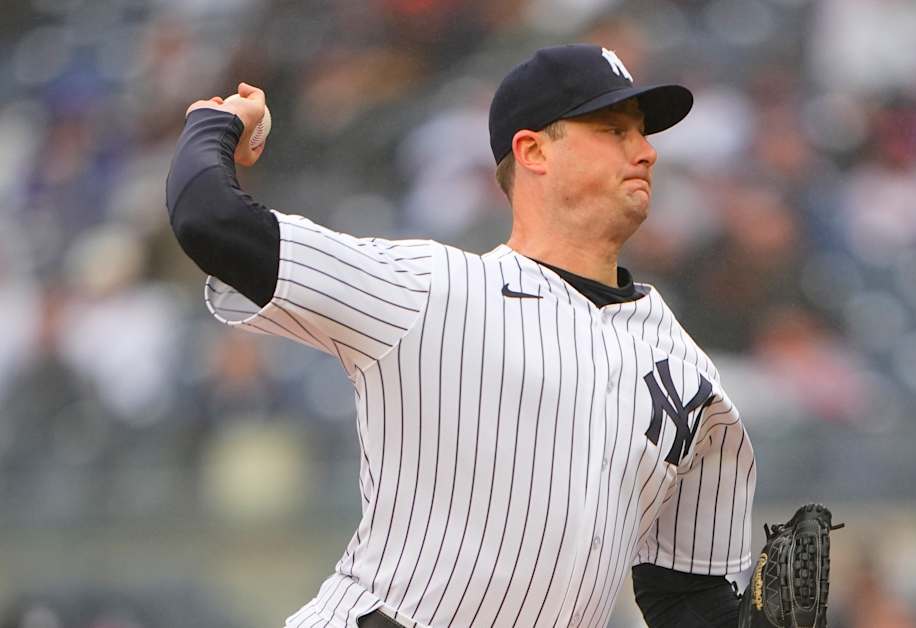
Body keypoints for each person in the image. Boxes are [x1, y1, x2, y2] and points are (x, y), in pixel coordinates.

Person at [166, 44, 757, 628]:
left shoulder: (688, 371)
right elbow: (210, 219)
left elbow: (686, 595)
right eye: (614, 130)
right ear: (533, 151)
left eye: (645, 134)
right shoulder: (431, 287)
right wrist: (216, 123)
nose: (646, 152)